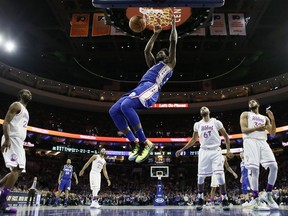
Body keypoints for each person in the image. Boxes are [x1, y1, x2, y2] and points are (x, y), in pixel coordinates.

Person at [109, 16, 177, 163]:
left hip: (152, 87)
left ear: (166, 57)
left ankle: (145, 142)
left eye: (161, 53)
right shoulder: (153, 64)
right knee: (114, 110)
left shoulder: (170, 63)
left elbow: (173, 42)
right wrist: (155, 34)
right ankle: (134, 143)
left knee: (126, 105)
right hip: (141, 86)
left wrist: (173, 26)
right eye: (158, 52)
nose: (159, 53)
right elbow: (147, 51)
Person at [176, 106, 233, 211]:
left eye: (205, 108)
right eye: (201, 108)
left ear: (209, 111)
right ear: (200, 113)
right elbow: (193, 140)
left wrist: (228, 150)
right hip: (204, 151)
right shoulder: (197, 125)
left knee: (220, 176)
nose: (203, 108)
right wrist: (182, 149)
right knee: (201, 177)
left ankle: (225, 199)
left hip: (216, 150)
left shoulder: (216, 122)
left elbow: (225, 136)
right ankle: (200, 199)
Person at [240, 99, 279, 210]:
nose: (251, 101)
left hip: (262, 142)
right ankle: (256, 200)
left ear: (258, 104)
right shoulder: (245, 114)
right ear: (249, 106)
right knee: (254, 170)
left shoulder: (265, 118)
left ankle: (268, 194)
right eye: (249, 102)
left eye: (254, 101)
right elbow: (244, 129)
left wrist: (272, 119)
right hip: (250, 141)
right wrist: (258, 128)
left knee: (274, 166)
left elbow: (273, 133)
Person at [0, 89, 32, 213]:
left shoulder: (26, 110)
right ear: (20, 95)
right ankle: (2, 200)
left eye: (30, 93)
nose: (29, 94)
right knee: (16, 169)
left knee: (17, 170)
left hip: (18, 142)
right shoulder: (16, 105)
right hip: (11, 138)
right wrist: (7, 138)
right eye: (26, 92)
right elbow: (6, 122)